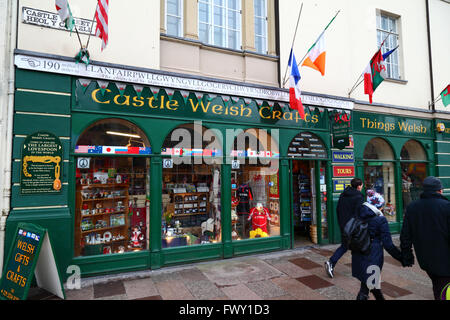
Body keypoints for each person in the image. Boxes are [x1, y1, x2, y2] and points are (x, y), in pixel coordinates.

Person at [400, 176, 450, 300]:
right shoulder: (446, 207)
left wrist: (407, 256)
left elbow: (405, 236)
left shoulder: (412, 207)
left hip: (426, 259)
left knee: (438, 286)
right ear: (439, 190)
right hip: (446, 260)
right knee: (444, 290)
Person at [352, 195, 403, 300]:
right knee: (367, 285)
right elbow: (388, 244)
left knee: (369, 282)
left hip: (359, 253)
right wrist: (401, 257)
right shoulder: (380, 219)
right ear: (378, 206)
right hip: (373, 256)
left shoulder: (359, 214)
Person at [325, 178, 364, 278]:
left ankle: (358, 267)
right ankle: (331, 262)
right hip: (353, 226)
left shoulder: (343, 194)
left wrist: (342, 223)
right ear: (359, 186)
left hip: (344, 225)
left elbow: (338, 209)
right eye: (362, 185)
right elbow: (358, 213)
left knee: (348, 246)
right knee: (352, 246)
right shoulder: (359, 196)